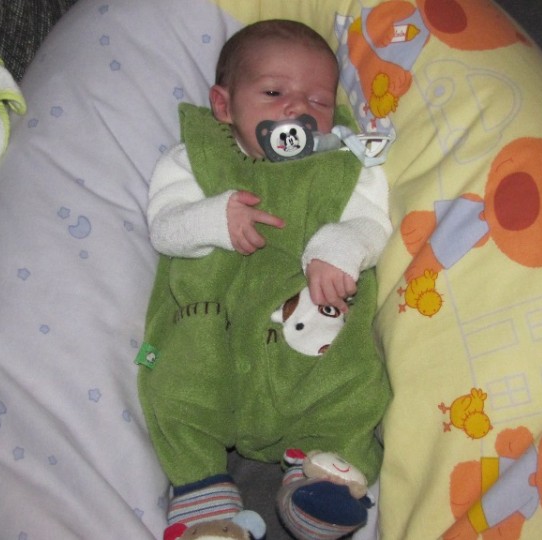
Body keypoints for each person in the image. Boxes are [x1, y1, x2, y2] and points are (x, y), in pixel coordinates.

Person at [137, 19, 392, 540]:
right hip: (214, 325)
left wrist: (340, 247)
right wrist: (215, 218)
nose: (297, 109)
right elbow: (165, 227)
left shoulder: (346, 164)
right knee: (178, 390)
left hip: (308, 317)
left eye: (318, 101)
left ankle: (321, 478)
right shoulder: (193, 159)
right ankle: (204, 498)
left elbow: (373, 222)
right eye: (274, 93)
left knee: (350, 383)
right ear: (224, 105)